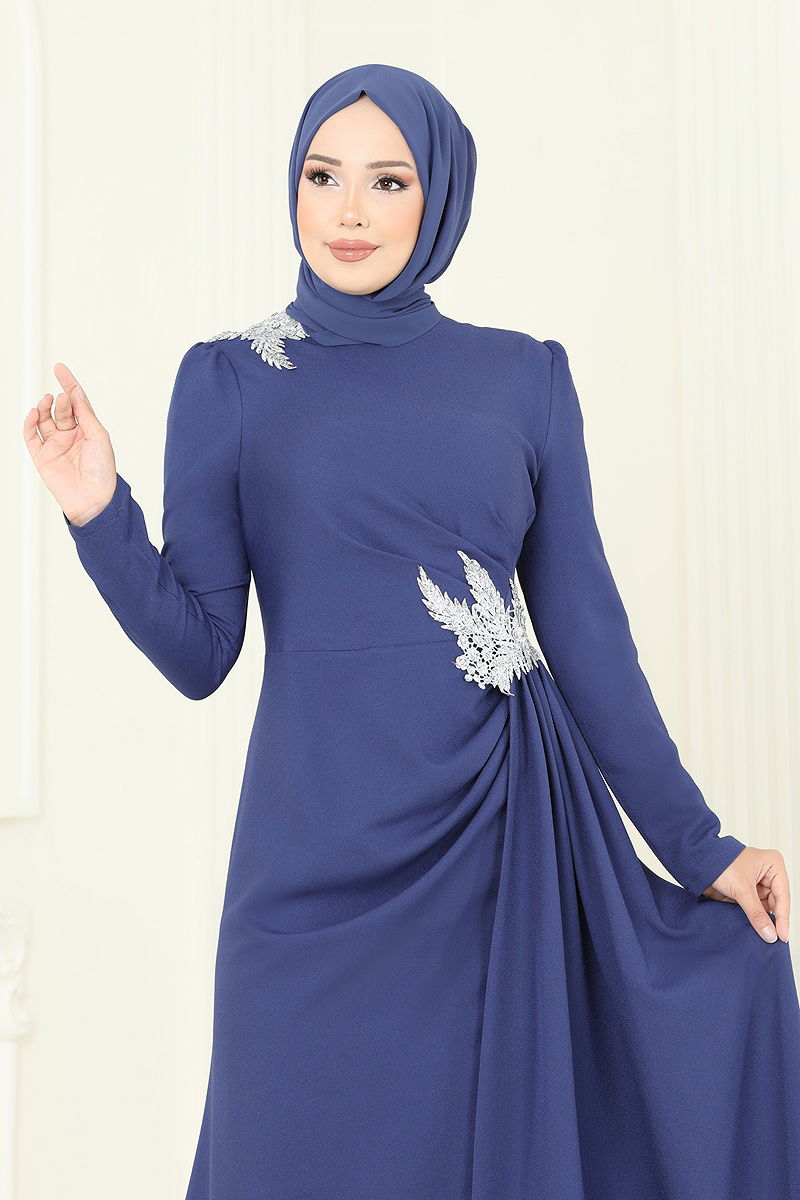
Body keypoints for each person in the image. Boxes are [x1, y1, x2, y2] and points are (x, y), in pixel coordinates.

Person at [23, 62, 800, 1200]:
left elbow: (588, 640)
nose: (348, 210)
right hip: (307, 863)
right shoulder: (227, 380)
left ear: (438, 197)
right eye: (322, 176)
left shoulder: (524, 377)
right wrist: (98, 509)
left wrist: (702, 848)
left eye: (387, 181)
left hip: (497, 844)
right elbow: (199, 653)